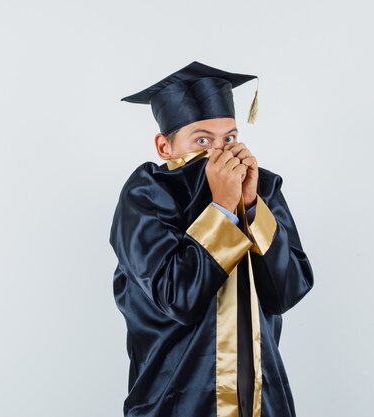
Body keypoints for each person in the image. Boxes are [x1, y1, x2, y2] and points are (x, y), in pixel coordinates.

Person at [109, 61, 314, 417]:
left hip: (262, 400)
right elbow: (178, 297)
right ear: (164, 147)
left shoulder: (262, 190)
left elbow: (288, 292)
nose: (220, 154)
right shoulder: (147, 195)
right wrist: (221, 207)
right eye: (202, 140)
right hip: (175, 402)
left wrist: (250, 207)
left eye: (229, 139)